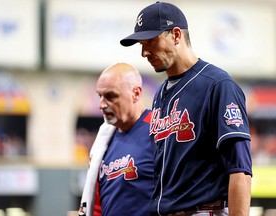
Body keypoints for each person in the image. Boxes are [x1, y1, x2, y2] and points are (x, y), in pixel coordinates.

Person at [120, 2, 252, 216]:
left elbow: (240, 169)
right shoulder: (160, 94)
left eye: (151, 41)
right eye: (141, 45)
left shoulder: (217, 85)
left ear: (176, 35)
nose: (144, 52)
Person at [78, 63, 154, 216]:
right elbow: (97, 204)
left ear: (136, 93)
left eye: (110, 96)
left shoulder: (159, 129)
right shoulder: (103, 141)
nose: (102, 105)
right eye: (100, 96)